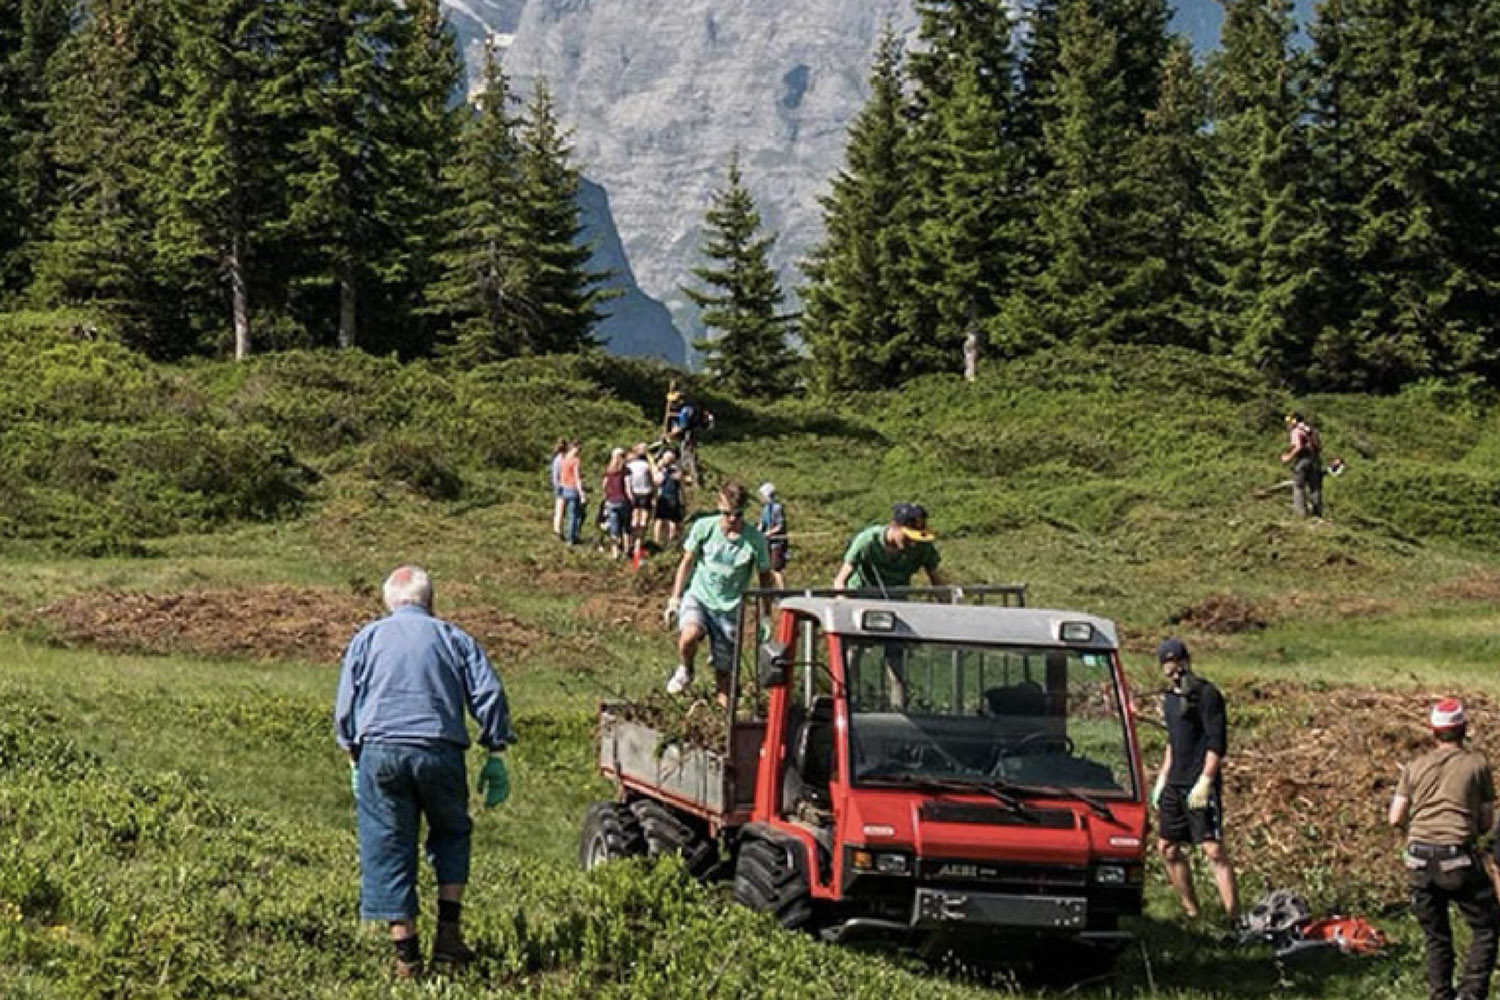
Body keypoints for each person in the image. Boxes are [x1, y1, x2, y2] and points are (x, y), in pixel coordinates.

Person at [334, 566, 515, 979]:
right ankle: (448, 937)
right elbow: (488, 692)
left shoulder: (367, 638)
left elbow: (346, 705)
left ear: (389, 603)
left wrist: (353, 754)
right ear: (431, 601)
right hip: (439, 749)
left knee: (387, 842)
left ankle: (407, 956)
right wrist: (495, 747)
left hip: (381, 751)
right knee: (451, 833)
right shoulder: (454, 638)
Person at [1389, 698, 1499, 1000]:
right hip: (1457, 858)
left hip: (1418, 859)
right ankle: (1471, 994)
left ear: (1433, 730)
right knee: (1486, 926)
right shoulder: (1477, 765)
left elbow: (1395, 817)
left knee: (1436, 936)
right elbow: (1487, 821)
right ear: (1464, 728)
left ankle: (1440, 995)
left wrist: (1418, 831)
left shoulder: (1414, 766)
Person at [663, 480, 781, 706]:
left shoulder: (755, 540)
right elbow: (687, 563)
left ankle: (723, 714)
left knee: (724, 674)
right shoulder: (704, 528)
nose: (732, 520)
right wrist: (675, 599)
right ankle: (686, 669)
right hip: (700, 596)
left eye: (738, 514)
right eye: (727, 514)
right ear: (719, 507)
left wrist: (766, 616)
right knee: (689, 636)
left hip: (729, 608)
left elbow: (765, 578)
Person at [1152, 637, 1238, 923]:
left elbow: (1216, 742)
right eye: (1168, 665)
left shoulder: (1207, 695)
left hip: (1199, 781)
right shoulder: (1169, 700)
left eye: (1177, 664)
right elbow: (1173, 741)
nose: (1174, 671)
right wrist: (1162, 778)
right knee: (1167, 848)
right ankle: (1192, 912)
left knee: (1212, 849)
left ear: (1186, 662)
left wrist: (1206, 780)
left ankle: (1232, 917)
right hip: (1175, 782)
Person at [832, 503, 946, 594]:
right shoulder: (868, 541)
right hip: (862, 599)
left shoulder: (923, 546)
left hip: (897, 602)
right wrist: (843, 602)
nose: (913, 543)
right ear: (894, 526)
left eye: (916, 537)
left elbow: (938, 583)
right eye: (907, 537)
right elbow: (840, 580)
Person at [1279, 411, 1323, 517]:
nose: (1288, 424)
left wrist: (1288, 457)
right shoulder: (1311, 430)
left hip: (1303, 460)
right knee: (1315, 488)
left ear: (1295, 420)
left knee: (1298, 486)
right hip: (1315, 460)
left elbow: (1298, 446)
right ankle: (1317, 514)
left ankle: (1300, 513)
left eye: (1290, 421)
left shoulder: (1296, 431)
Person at [601, 447, 632, 560]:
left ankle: (615, 553)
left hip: (611, 501)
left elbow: (604, 485)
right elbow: (628, 487)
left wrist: (606, 496)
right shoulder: (626, 470)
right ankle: (627, 550)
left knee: (614, 529)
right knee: (625, 527)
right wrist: (632, 500)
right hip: (623, 501)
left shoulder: (608, 470)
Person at [626, 443, 656, 558]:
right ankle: (638, 546)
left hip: (633, 493)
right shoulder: (647, 465)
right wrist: (654, 494)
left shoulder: (629, 466)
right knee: (643, 522)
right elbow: (653, 480)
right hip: (645, 493)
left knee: (634, 520)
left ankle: (632, 543)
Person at [652, 449, 685, 548]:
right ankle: (671, 541)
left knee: (660, 520)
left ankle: (657, 541)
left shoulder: (662, 470)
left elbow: (656, 482)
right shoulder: (677, 470)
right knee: (672, 520)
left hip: (664, 497)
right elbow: (681, 484)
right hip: (672, 497)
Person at [557, 439, 586, 545]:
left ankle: (567, 534)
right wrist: (582, 493)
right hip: (573, 489)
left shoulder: (563, 459)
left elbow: (561, 475)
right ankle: (571, 538)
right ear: (575, 448)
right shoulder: (575, 461)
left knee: (567, 514)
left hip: (564, 488)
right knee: (573, 515)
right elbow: (577, 478)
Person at [758, 482, 788, 573]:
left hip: (777, 542)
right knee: (767, 569)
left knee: (776, 569)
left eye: (762, 495)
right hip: (767, 542)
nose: (761, 497)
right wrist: (757, 533)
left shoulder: (777, 508)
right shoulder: (765, 509)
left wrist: (768, 533)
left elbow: (780, 526)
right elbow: (762, 524)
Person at [549, 438, 567, 538]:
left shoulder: (557, 459)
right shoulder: (559, 460)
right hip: (561, 487)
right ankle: (557, 529)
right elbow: (555, 477)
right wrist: (558, 487)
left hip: (562, 486)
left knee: (560, 510)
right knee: (560, 510)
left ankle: (559, 529)